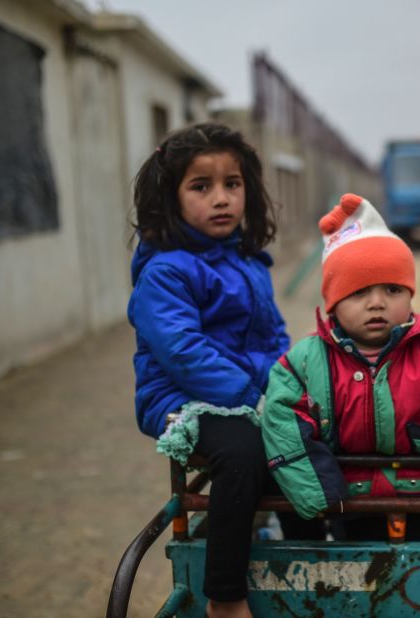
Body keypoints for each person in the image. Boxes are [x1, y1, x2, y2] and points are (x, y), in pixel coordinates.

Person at [261, 193, 420, 539]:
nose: (377, 303)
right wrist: (317, 490)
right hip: (352, 503)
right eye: (359, 292)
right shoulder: (302, 365)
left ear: (410, 294)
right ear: (333, 303)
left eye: (392, 289)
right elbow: (282, 422)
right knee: (362, 582)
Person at [127, 123, 288, 618]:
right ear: (170, 199)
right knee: (242, 450)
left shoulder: (249, 263)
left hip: (245, 394)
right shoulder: (167, 271)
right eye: (201, 186)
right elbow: (184, 352)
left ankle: (308, 543)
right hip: (181, 399)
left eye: (232, 184)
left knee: (310, 432)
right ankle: (226, 596)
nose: (221, 199)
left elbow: (274, 338)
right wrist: (252, 397)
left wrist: (291, 386)